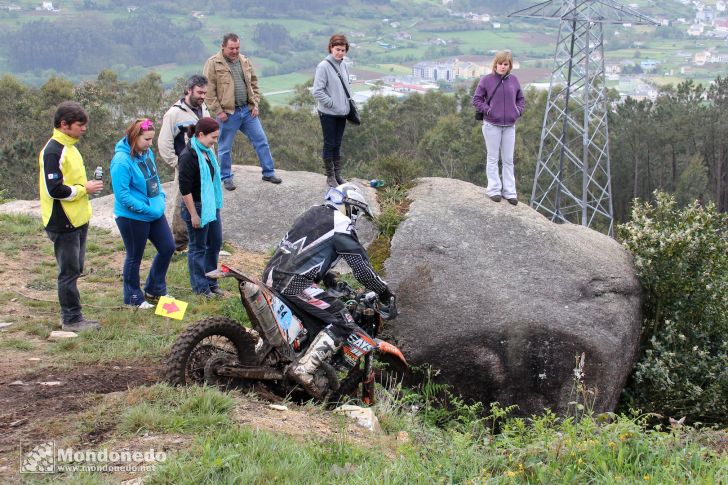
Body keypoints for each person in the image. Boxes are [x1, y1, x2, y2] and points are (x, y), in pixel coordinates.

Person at [263, 183, 395, 398]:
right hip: (294, 282)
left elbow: (303, 252)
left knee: (312, 321)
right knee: (342, 319)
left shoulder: (313, 212)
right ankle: (304, 370)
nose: (356, 218)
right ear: (350, 207)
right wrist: (384, 291)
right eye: (357, 212)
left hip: (272, 274)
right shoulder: (341, 224)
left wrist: (329, 278)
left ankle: (279, 359)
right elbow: (362, 270)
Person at [38, 101, 103, 331]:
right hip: (62, 221)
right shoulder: (54, 150)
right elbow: (54, 189)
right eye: (80, 125)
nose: (84, 129)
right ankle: (71, 320)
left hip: (78, 218)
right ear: (64, 125)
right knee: (68, 272)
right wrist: (85, 189)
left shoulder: (71, 146)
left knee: (75, 269)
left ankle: (74, 316)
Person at [203, 32, 282, 190]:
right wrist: (219, 111)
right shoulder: (213, 63)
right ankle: (226, 178)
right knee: (225, 147)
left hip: (247, 111)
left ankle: (268, 172)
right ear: (223, 47)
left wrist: (255, 104)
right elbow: (208, 91)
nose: (235, 51)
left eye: (237, 48)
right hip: (227, 114)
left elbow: (254, 83)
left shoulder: (244, 60)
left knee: (261, 141)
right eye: (231, 48)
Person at [110, 119, 175, 309]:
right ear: (134, 137)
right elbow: (122, 195)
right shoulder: (121, 161)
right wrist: (147, 209)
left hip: (154, 211)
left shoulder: (147, 153)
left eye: (151, 139)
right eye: (146, 139)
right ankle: (133, 297)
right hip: (132, 216)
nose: (150, 143)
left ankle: (155, 288)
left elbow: (153, 178)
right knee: (134, 256)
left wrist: (161, 197)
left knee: (168, 247)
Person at [158, 74, 211, 252]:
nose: (202, 96)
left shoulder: (203, 108)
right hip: (186, 165)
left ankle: (200, 236)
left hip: (204, 165)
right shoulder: (174, 113)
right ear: (189, 90)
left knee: (203, 199)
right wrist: (178, 163)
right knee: (181, 202)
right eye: (199, 92)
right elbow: (164, 143)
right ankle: (179, 243)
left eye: (205, 92)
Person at [178, 117, 226, 298]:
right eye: (212, 137)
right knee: (198, 247)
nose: (215, 141)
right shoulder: (188, 156)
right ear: (200, 135)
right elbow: (185, 189)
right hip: (196, 206)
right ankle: (201, 288)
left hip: (211, 204)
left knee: (214, 243)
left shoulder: (207, 152)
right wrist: (193, 215)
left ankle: (211, 282)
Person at [472, 50, 525, 205]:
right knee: (493, 158)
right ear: (495, 64)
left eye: (505, 64)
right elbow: (476, 99)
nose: (502, 67)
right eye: (500, 64)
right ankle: (494, 190)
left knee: (508, 160)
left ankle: (510, 192)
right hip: (491, 126)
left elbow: (521, 99)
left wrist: (517, 111)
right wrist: (488, 110)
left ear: (509, 66)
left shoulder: (514, 81)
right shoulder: (486, 80)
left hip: (509, 126)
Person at [312, 34, 353, 187]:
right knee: (329, 143)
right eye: (337, 49)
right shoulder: (323, 66)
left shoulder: (343, 65)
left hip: (342, 113)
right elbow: (317, 91)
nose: (340, 53)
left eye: (343, 50)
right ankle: (330, 176)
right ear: (331, 48)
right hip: (328, 113)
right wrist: (332, 103)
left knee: (338, 143)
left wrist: (346, 105)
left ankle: (337, 174)